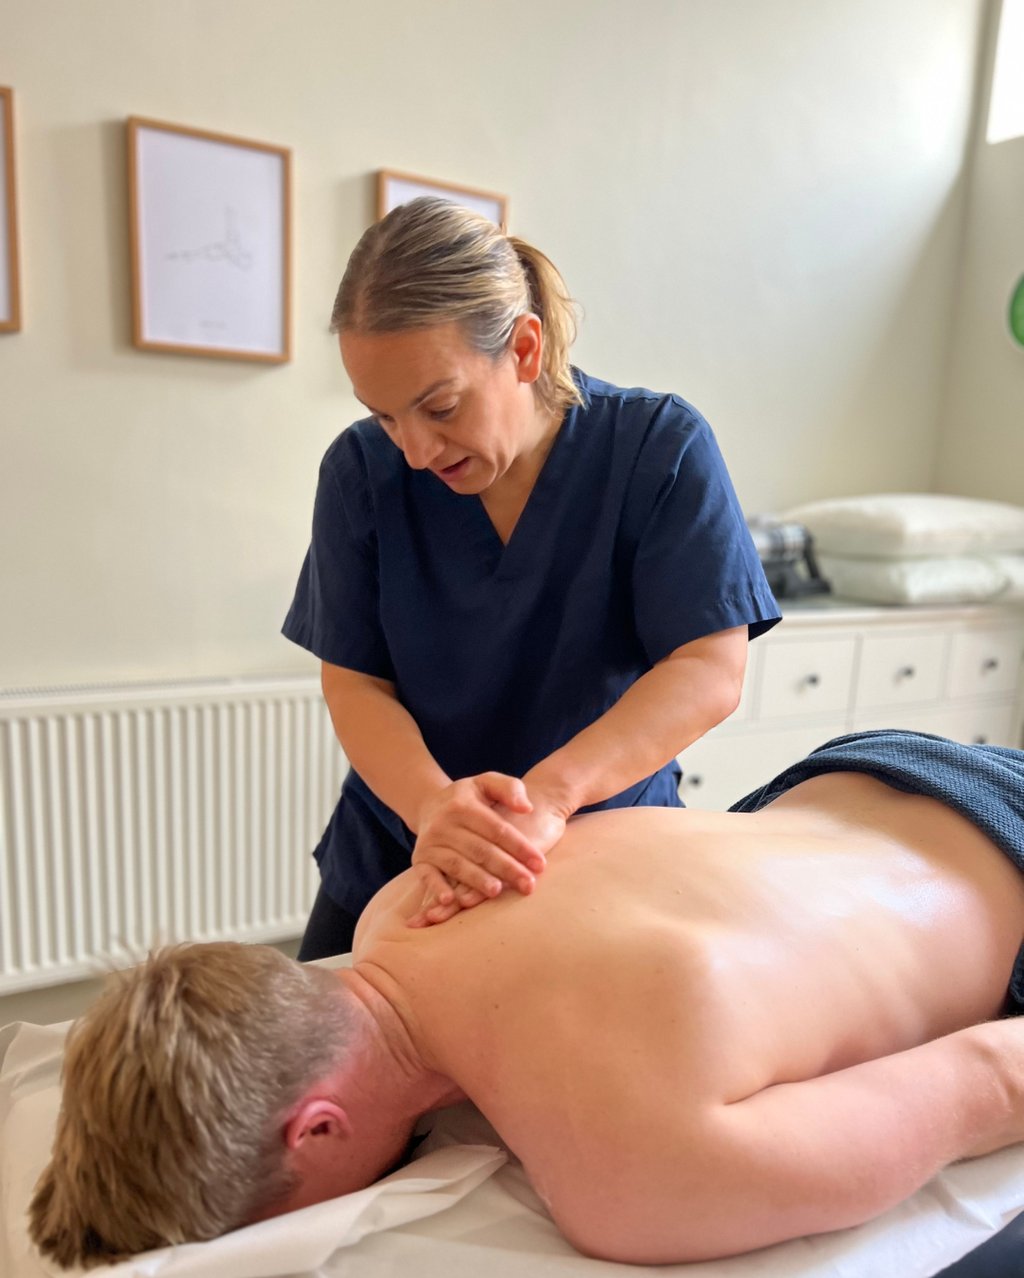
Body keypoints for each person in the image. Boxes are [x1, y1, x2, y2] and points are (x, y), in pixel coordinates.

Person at [29, 729, 1024, 1269]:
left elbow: (993, 1077)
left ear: (317, 1129)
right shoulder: (403, 901)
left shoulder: (625, 1177)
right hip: (865, 771)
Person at [281, 196, 780, 955]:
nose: (414, 451)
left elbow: (709, 667)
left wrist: (551, 797)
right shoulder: (361, 470)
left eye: (440, 407)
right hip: (403, 848)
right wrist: (434, 809)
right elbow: (356, 684)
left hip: (597, 847)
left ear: (523, 348)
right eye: (385, 416)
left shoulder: (657, 448)